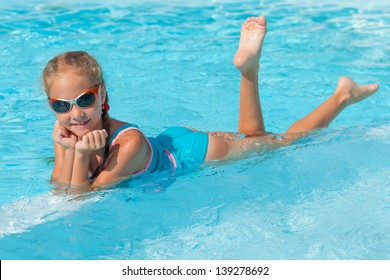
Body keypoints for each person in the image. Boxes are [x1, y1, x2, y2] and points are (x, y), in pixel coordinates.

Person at [43, 16, 379, 192]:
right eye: (62, 105)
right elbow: (62, 189)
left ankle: (260, 74)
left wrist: (80, 154)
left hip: (197, 152)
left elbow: (82, 199)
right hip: (168, 143)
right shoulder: (65, 132)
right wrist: (72, 150)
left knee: (283, 144)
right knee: (256, 135)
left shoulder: (126, 143)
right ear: (52, 106)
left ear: (101, 94)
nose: (75, 114)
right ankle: (340, 94)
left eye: (84, 99)